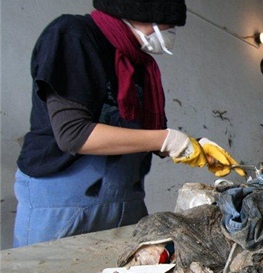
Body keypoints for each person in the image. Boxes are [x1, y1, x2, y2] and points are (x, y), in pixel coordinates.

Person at [14, 0, 244, 248]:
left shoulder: (139, 63)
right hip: (64, 203)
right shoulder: (74, 36)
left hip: (126, 198)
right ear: (141, 13)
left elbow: (142, 132)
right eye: (167, 25)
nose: (170, 32)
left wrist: (194, 146)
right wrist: (167, 139)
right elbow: (73, 134)